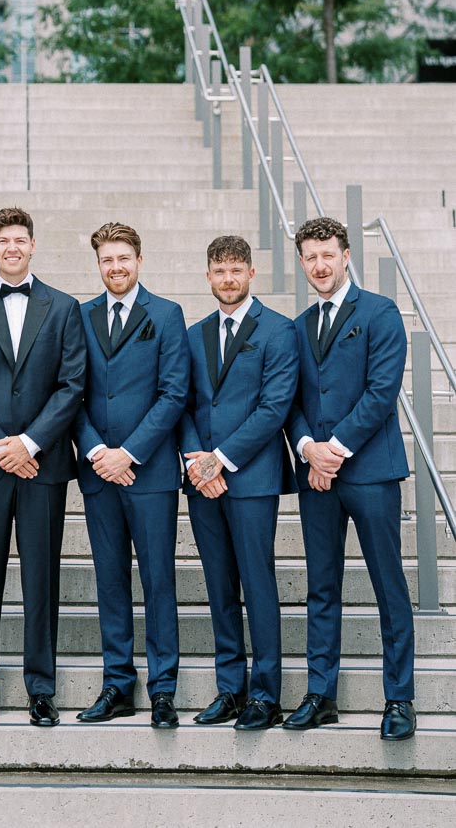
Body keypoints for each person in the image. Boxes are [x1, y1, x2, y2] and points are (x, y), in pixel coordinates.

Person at [0, 206, 86, 728]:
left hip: (42, 467)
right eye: (3, 239)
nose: (12, 247)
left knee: (40, 581)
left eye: (20, 239)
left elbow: (72, 384)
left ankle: (41, 689)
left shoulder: (64, 307)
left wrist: (30, 443)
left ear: (32, 245)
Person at [284, 216, 416, 741]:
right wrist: (307, 449)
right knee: (321, 585)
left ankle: (400, 699)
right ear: (301, 263)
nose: (320, 265)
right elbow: (288, 400)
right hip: (317, 476)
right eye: (310, 257)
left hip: (370, 471)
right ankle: (321, 693)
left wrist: (332, 451)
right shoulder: (296, 327)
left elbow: (382, 393)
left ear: (345, 256)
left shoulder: (380, 312)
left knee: (388, 584)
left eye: (328, 255)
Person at [74, 223, 190, 730]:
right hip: (99, 471)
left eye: (123, 258)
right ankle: (117, 683)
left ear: (138, 259)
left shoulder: (166, 315)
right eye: (106, 260)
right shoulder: (79, 317)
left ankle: (163, 689)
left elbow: (173, 394)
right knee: (110, 581)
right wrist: (99, 449)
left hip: (150, 473)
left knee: (159, 581)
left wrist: (131, 453)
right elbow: (70, 391)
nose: (115, 267)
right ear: (98, 265)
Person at [182, 235, 298, 731]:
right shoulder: (194, 333)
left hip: (250, 477)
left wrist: (220, 461)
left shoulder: (279, 330)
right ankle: (230, 688)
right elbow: (182, 402)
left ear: (252, 273)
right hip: (200, 480)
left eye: (236, 270)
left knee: (256, 581)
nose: (227, 279)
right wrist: (195, 460)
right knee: (219, 585)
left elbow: (274, 408)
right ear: (207, 276)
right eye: (219, 270)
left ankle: (266, 694)